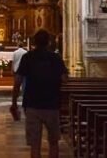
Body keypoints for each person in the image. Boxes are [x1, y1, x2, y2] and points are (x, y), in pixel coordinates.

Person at [11, 29, 68, 158]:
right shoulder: (55, 58)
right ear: (49, 42)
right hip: (52, 104)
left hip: (32, 104)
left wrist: (14, 102)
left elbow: (18, 81)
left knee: (35, 144)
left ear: (34, 42)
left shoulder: (28, 57)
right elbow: (65, 79)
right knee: (53, 142)